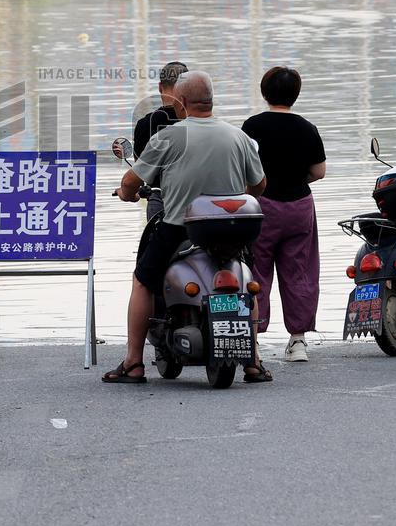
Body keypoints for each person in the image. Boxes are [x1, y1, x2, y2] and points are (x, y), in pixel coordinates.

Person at [103, 71, 271, 385]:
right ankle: (254, 363)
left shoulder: (168, 137)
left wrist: (126, 194)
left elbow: (131, 182)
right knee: (246, 278)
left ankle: (133, 362)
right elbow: (259, 185)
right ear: (211, 100)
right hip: (234, 230)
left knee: (143, 281)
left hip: (182, 227)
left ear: (180, 102)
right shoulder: (239, 137)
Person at [242, 67, 326, 363]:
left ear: (265, 93)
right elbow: (319, 172)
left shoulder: (252, 126)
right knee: (299, 271)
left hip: (262, 206)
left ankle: (253, 339)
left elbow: (243, 168)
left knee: (256, 269)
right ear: (296, 94)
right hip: (300, 206)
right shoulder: (307, 128)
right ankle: (298, 341)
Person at [113, 61, 188, 222]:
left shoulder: (145, 125)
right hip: (201, 204)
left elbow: (140, 172)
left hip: (161, 202)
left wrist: (128, 194)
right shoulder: (201, 122)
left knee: (155, 245)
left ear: (160, 86)